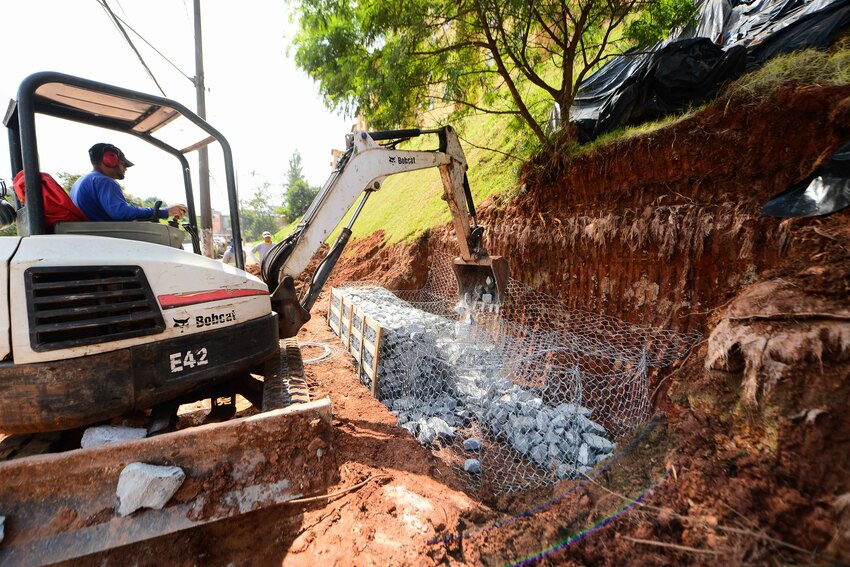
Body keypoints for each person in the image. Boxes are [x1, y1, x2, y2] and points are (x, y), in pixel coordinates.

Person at [71, 143, 188, 222]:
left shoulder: (81, 181)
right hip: (101, 237)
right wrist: (164, 211)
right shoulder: (105, 181)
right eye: (123, 164)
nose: (125, 169)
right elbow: (120, 212)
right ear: (110, 160)